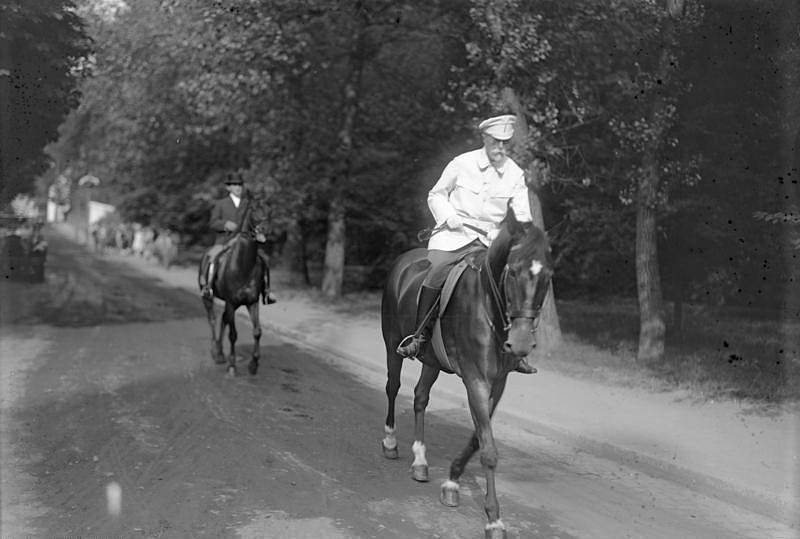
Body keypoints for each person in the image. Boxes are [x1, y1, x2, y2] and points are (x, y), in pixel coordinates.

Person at [396, 114, 536, 374]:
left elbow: (523, 214)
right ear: (485, 138)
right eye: (496, 142)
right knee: (437, 270)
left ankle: (513, 350)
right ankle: (419, 337)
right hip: (455, 236)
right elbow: (436, 194)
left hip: (490, 243)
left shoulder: (515, 174)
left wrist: (525, 237)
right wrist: (449, 217)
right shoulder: (462, 163)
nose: (501, 148)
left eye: (506, 143)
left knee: (514, 280)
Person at [199, 172, 276, 304]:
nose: (238, 187)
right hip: (224, 241)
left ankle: (266, 292)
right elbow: (212, 222)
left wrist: (258, 233)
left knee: (263, 259)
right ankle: (208, 287)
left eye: (239, 184)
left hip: (244, 242)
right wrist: (225, 224)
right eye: (234, 185)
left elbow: (254, 222)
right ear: (228, 187)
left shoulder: (248, 204)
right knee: (212, 258)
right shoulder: (221, 204)